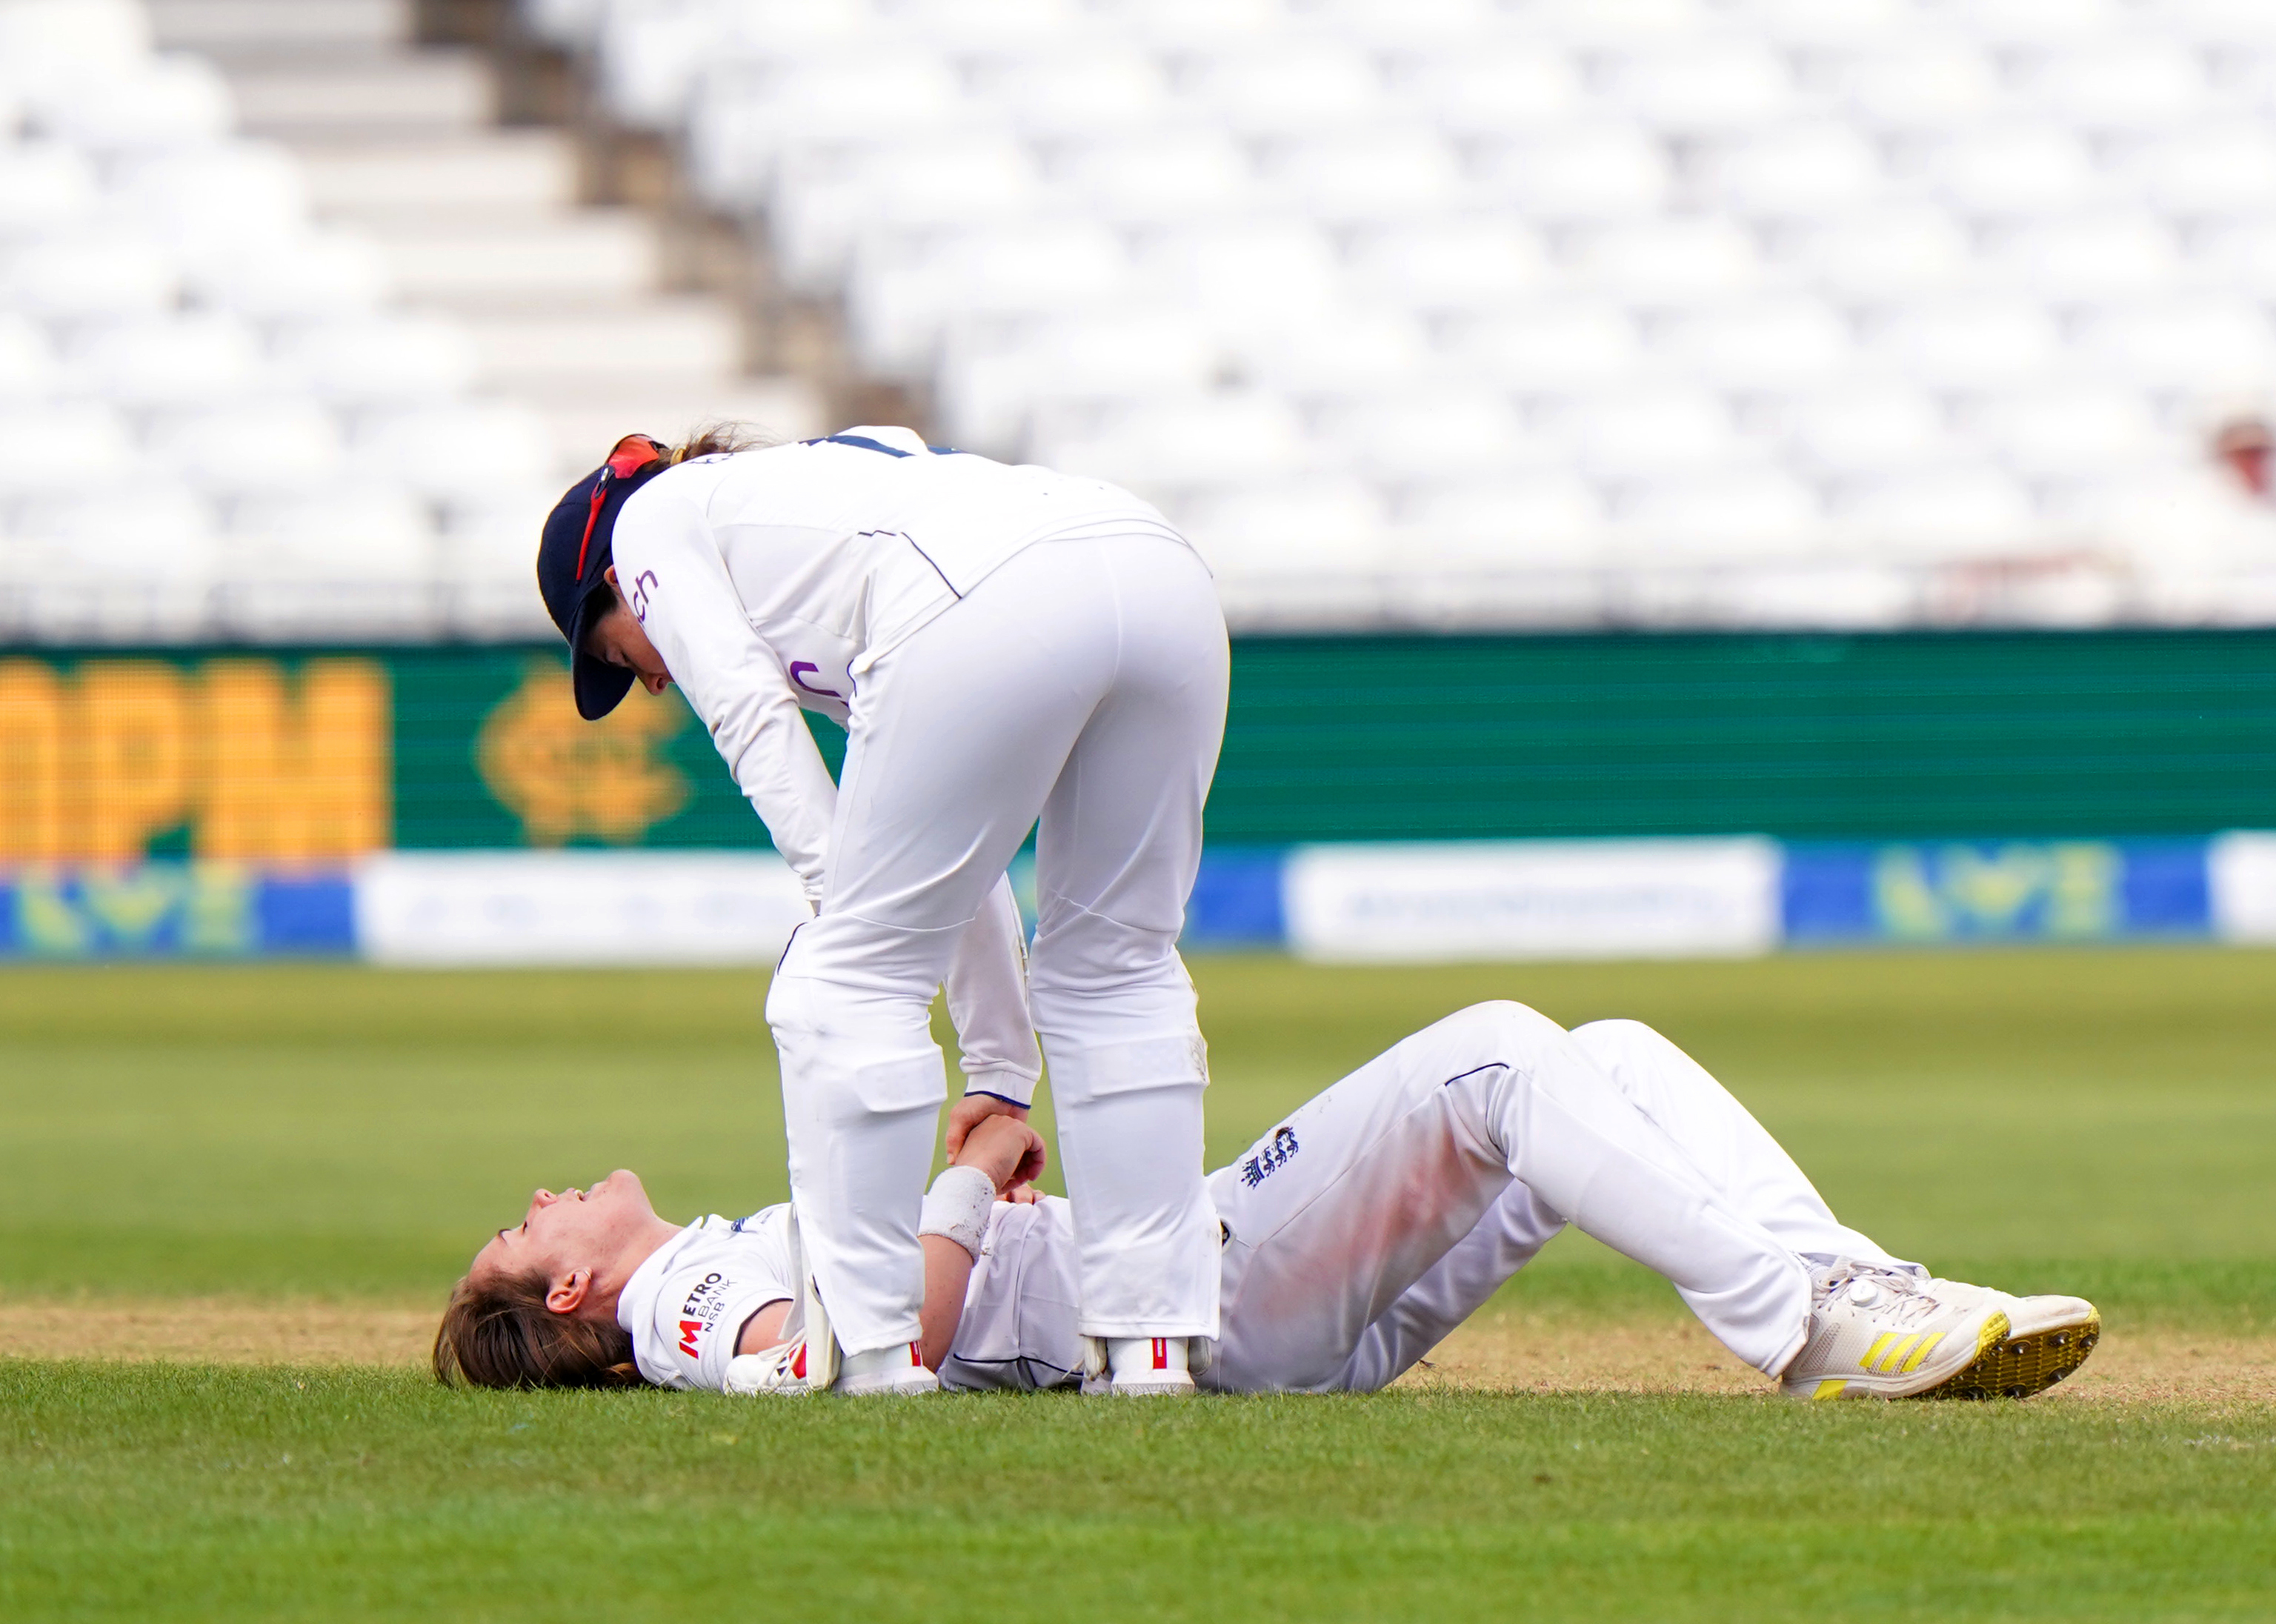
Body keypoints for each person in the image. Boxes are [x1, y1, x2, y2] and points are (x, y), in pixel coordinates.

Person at [533, 426, 1228, 1395]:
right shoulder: (819, 518)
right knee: (1119, 967)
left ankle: (865, 1355)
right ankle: (1153, 1353)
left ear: (616, 581)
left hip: (991, 591)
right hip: (1157, 568)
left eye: (620, 648)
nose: (651, 678)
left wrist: (842, 912)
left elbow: (749, 721)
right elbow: (958, 855)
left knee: (842, 979)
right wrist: (998, 1070)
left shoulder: (648, 521)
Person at [434, 1000, 2100, 1402]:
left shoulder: (688, 1269)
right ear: (571, 1297)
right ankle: (1816, 1326)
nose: (535, 1196)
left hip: (1209, 1296)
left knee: (1601, 1055)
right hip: (1208, 1293)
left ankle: (1865, 1293)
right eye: (524, 1231)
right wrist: (963, 1177)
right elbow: (835, 1369)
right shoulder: (677, 1305)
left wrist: (976, 1191)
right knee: (1504, 1058)